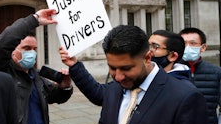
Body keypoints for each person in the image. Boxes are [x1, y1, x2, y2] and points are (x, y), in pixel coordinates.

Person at [79, 25, 209, 124]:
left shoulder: (185, 98)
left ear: (147, 57)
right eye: (112, 68)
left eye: (126, 68)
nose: (118, 77)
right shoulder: (112, 89)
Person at [0, 9, 73, 124]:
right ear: (12, 52)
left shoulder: (36, 76)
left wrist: (64, 86)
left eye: (35, 49)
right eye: (27, 49)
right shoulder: (1, 74)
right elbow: (0, 46)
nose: (32, 53)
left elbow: (55, 96)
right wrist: (34, 20)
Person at [59, 29, 191, 106]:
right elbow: (99, 94)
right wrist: (75, 66)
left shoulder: (183, 93)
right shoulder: (132, 79)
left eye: (155, 47)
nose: (148, 50)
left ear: (173, 56)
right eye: (147, 44)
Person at [179, 27, 221, 124]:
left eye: (192, 43)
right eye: (183, 44)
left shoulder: (215, 72)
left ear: (203, 48)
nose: (187, 47)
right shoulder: (171, 71)